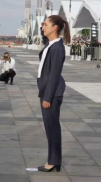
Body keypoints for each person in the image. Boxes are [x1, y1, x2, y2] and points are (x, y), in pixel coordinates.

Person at [37, 15, 69, 172]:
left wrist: (47, 97)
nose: (43, 27)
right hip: (47, 90)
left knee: (52, 127)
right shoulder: (51, 44)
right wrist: (43, 23)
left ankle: (54, 161)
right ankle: (54, 160)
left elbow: (55, 73)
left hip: (52, 93)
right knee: (50, 127)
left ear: (55, 28)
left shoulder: (57, 48)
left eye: (46, 25)